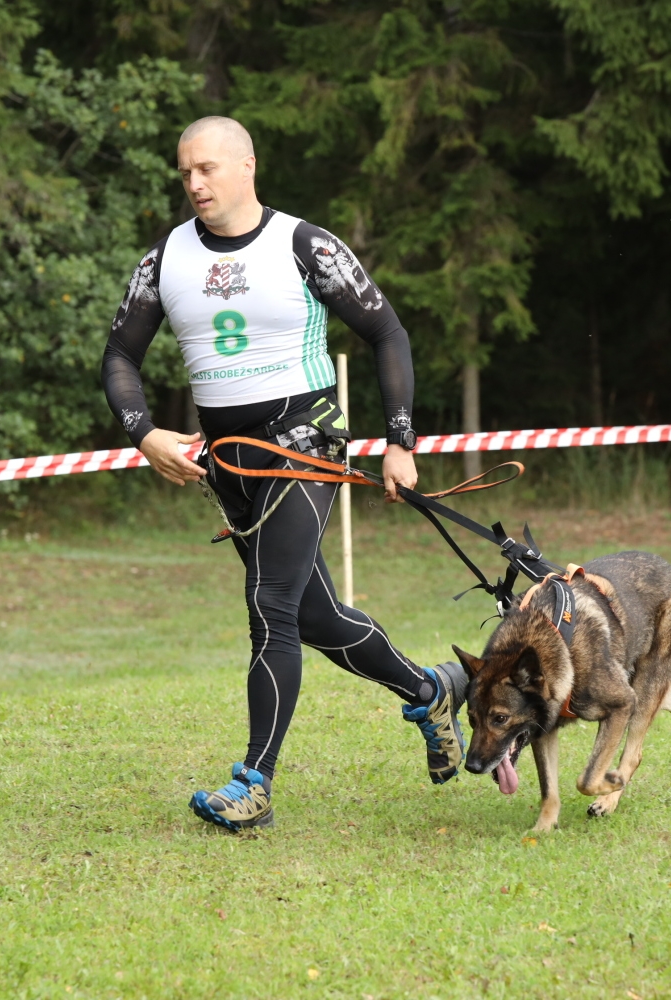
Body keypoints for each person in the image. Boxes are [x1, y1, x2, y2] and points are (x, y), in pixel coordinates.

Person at [102, 117, 467, 831]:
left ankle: (255, 784)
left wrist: (400, 441)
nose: (194, 183)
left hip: (306, 443)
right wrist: (144, 434)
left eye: (207, 168)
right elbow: (120, 357)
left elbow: (386, 331)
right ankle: (432, 691)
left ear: (248, 166)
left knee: (270, 605)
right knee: (314, 615)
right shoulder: (164, 259)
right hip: (228, 462)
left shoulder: (306, 245)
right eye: (185, 172)